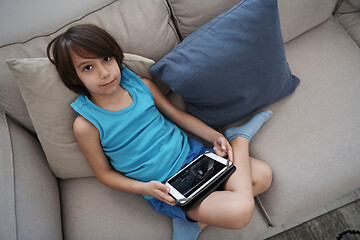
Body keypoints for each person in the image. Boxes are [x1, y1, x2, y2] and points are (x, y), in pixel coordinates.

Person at [47, 24, 273, 239]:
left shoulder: (141, 85)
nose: (104, 73)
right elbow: (104, 175)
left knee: (263, 176)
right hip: (168, 187)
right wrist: (145, 188)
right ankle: (240, 140)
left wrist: (213, 135)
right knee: (240, 213)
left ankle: (195, 219)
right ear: (74, 77)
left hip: (195, 159)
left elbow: (178, 116)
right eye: (88, 67)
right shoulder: (86, 124)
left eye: (106, 59)